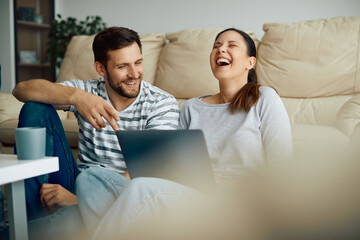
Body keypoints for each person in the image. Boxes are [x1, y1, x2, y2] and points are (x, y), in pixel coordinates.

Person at [75, 28, 293, 239]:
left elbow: (282, 170)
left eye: (231, 45)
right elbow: (173, 166)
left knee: (142, 186)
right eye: (216, 45)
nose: (221, 49)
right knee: (90, 179)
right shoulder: (191, 108)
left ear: (250, 62)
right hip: (190, 197)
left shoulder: (264, 99)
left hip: (236, 204)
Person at [1, 26, 179, 236]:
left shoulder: (162, 103)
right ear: (101, 69)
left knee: (77, 216)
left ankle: (25, 230)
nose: (134, 74)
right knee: (35, 107)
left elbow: (148, 169)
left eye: (138, 63)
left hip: (120, 194)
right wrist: (76, 97)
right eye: (122, 66)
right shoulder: (87, 91)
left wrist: (77, 200)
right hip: (76, 179)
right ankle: (33, 218)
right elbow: (21, 90)